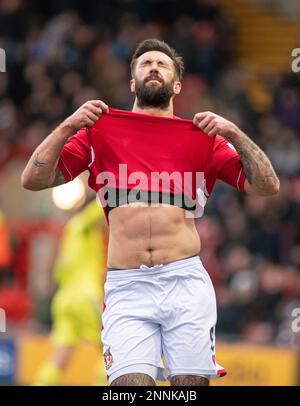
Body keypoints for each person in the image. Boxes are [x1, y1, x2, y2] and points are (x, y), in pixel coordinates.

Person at [21, 38, 280, 386]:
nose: (153, 67)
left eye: (162, 64)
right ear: (132, 82)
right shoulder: (99, 131)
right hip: (127, 286)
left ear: (176, 85)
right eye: (145, 64)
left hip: (185, 282)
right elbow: (32, 180)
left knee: (189, 387)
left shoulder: (203, 137)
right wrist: (69, 125)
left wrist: (233, 131)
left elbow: (267, 185)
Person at [33, 199, 108, 386]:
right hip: (85, 297)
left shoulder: (67, 233)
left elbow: (57, 271)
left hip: (63, 300)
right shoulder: (82, 224)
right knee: (111, 351)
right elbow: (101, 204)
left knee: (58, 360)